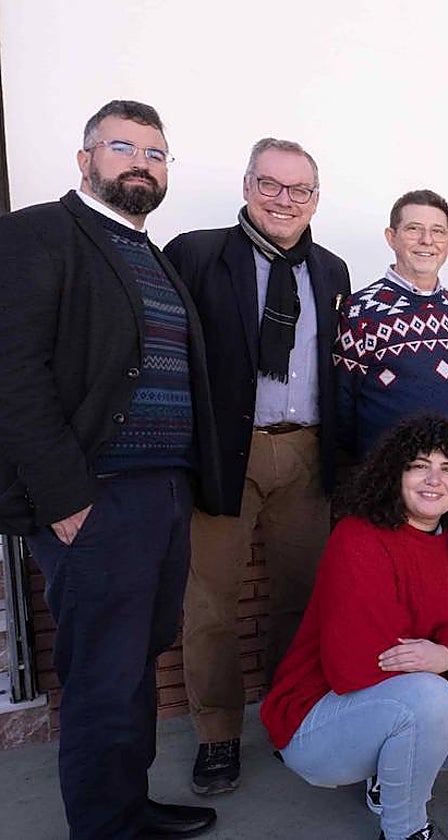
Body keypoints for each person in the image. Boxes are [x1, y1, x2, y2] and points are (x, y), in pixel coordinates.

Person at [0, 100, 221, 838]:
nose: (140, 163)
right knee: (102, 675)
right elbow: (13, 375)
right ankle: (104, 827)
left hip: (163, 492)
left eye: (155, 153)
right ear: (85, 158)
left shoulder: (150, 254)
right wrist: (64, 498)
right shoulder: (37, 234)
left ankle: (128, 808)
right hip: (96, 498)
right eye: (122, 147)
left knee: (135, 665)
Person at [165, 138, 351, 795]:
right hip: (225, 452)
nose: (284, 200)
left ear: (316, 199)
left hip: (306, 452)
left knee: (301, 596)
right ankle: (217, 735)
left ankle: (287, 711)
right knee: (210, 602)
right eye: (270, 184)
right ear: (247, 186)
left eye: (299, 189)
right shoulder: (196, 254)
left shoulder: (330, 270)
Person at [260, 416, 448, 840]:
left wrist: (447, 654)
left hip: (412, 696)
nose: (434, 480)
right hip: (319, 718)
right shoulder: (358, 537)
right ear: (394, 474)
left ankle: (391, 771)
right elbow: (358, 662)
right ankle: (405, 830)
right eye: (419, 466)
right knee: (427, 695)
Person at [335, 190, 448, 460]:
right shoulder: (361, 310)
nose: (427, 240)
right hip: (387, 472)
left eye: (438, 231)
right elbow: (342, 403)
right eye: (414, 229)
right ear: (391, 237)